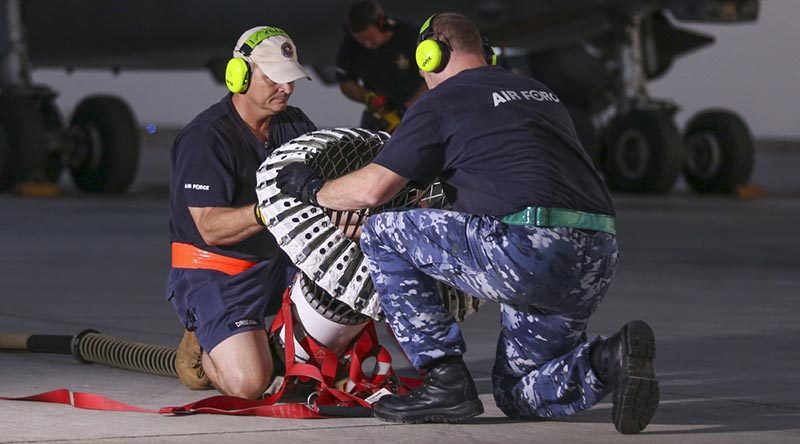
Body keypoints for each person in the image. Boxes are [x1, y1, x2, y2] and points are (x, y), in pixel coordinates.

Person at [276, 13, 659, 433]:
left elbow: (372, 191)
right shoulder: (537, 91)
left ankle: (444, 379)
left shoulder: (441, 101)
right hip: (597, 252)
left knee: (383, 233)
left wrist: (313, 188)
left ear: (430, 56)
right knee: (517, 393)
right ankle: (611, 359)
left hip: (526, 248)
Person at [167, 26, 316, 399]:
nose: (287, 88)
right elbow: (212, 228)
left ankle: (267, 346)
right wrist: (268, 212)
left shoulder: (294, 125)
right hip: (218, 269)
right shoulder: (206, 138)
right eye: (275, 80)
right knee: (249, 384)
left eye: (291, 80)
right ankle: (202, 331)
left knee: (345, 305)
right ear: (240, 75)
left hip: (279, 263)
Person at [335, 0, 427, 131]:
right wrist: (368, 98)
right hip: (380, 114)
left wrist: (405, 110)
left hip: (418, 107)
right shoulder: (350, 44)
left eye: (371, 40)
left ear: (382, 23)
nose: (367, 45)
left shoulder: (410, 36)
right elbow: (345, 81)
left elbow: (433, 78)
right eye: (362, 41)